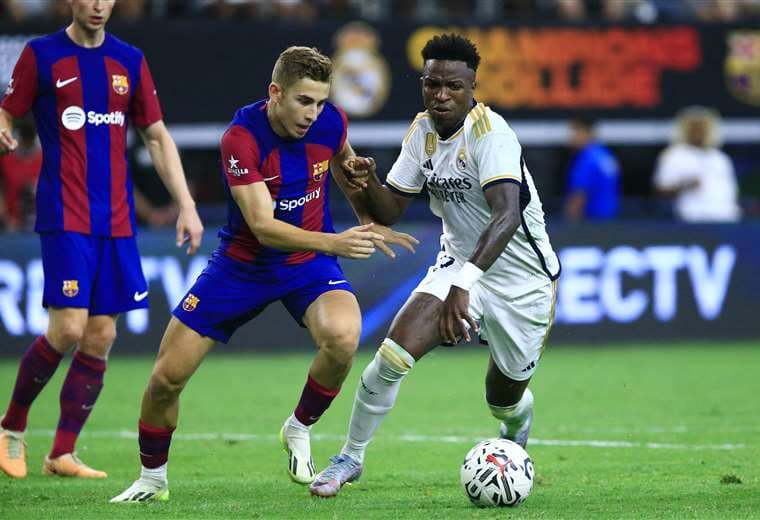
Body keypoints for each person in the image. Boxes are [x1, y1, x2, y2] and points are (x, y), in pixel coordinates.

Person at [110, 45, 417, 503]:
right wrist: (335, 242)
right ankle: (152, 479)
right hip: (242, 265)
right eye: (303, 101)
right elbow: (263, 226)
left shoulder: (331, 123)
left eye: (320, 102)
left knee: (343, 336)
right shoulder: (241, 139)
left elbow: (343, 167)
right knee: (166, 378)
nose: (313, 113)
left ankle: (299, 426)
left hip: (307, 263)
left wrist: (365, 216)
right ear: (275, 93)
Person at [308, 33, 561, 498]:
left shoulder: (491, 135)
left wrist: (465, 285)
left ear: (472, 88)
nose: (441, 95)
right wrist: (366, 183)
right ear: (423, 85)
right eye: (432, 84)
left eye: (453, 86)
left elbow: (506, 216)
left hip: (522, 282)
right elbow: (389, 211)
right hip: (459, 262)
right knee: (390, 357)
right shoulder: (421, 132)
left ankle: (516, 423)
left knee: (502, 399)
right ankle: (350, 457)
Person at [0, 0, 203, 479]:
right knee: (68, 328)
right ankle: (11, 428)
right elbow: (7, 112)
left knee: (102, 334)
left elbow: (156, 135)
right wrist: (3, 129)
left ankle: (62, 454)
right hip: (65, 213)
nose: (98, 4)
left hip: (116, 219)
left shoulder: (129, 60)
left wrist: (187, 205)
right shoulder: (42, 54)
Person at [653, 106, 741, 222]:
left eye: (702, 128)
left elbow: (731, 191)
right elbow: (660, 189)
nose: (698, 132)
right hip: (692, 220)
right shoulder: (674, 155)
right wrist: (685, 185)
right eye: (694, 128)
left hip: (726, 218)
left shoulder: (720, 158)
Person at [564, 117, 620, 221]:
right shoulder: (605, 154)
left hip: (591, 223)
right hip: (610, 221)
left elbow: (579, 196)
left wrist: (568, 224)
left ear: (586, 132)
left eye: (575, 131)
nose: (570, 137)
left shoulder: (587, 159)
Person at [0, 116, 41, 231]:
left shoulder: (45, 154)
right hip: (10, 221)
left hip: (38, 221)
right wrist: (6, 218)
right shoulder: (5, 154)